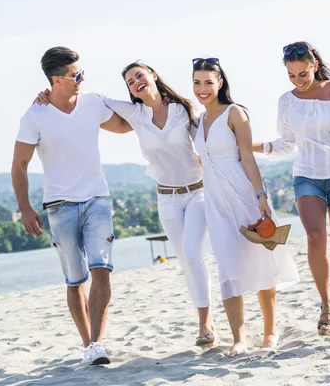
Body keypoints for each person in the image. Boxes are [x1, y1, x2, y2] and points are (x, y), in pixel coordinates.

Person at [35, 61, 217, 347]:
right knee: (185, 260)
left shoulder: (184, 109)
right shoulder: (135, 114)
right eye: (130, 82)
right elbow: (96, 98)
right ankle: (205, 319)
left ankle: (205, 323)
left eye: (140, 76)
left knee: (193, 253)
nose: (136, 82)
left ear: (154, 75)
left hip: (198, 192)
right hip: (167, 199)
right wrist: (50, 93)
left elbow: (207, 143)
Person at [12, 46, 132, 365]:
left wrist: (147, 105)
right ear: (56, 79)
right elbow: (19, 165)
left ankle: (96, 343)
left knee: (101, 268)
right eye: (76, 75)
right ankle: (87, 343)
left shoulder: (91, 103)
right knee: (75, 279)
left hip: (97, 200)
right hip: (59, 206)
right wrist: (25, 207)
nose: (82, 78)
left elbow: (124, 125)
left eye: (82, 72)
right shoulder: (34, 115)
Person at [192, 57, 299, 357]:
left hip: (243, 195)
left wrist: (261, 196)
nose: (202, 89)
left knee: (262, 261)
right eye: (197, 82)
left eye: (208, 82)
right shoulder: (197, 122)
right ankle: (239, 338)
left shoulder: (235, 113)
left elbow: (247, 158)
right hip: (215, 203)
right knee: (227, 267)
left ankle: (270, 331)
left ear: (220, 82)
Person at [252, 42, 330, 338]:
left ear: (314, 65)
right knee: (314, 237)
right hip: (306, 176)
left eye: (303, 73)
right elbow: (285, 144)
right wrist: (248, 146)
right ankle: (326, 306)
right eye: (292, 76)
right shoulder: (287, 101)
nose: (298, 80)